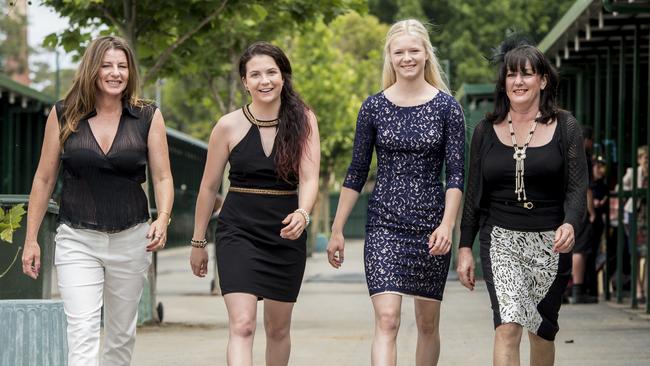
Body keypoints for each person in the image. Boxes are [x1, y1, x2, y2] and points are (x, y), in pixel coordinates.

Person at [21, 36, 173, 365]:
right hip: (77, 238)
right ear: (93, 69)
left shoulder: (147, 116)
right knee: (82, 331)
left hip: (132, 238)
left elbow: (162, 177)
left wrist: (162, 218)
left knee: (120, 336)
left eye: (122, 66)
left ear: (130, 71)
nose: (115, 73)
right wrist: (31, 238)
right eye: (106, 65)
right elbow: (44, 179)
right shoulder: (64, 115)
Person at [327, 19, 465, 365]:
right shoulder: (372, 107)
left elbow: (456, 175)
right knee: (387, 320)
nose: (407, 58)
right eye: (399, 51)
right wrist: (337, 229)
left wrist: (447, 225)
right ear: (389, 56)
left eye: (414, 51)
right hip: (384, 226)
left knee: (427, 323)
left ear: (426, 55)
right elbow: (356, 172)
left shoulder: (448, 108)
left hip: (432, 227)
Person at [457, 36, 587, 366]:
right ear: (503, 82)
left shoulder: (566, 127)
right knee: (507, 326)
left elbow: (576, 188)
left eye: (527, 74)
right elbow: (474, 194)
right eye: (511, 74)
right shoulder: (485, 130)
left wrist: (570, 222)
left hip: (550, 243)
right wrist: (465, 248)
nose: (518, 81)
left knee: (542, 332)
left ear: (543, 80)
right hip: (500, 239)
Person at [189, 42, 320, 366]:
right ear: (245, 81)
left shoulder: (304, 120)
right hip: (238, 232)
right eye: (256, 74)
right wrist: (198, 241)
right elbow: (207, 187)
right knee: (243, 325)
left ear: (283, 76)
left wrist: (303, 214)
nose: (265, 81)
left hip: (286, 235)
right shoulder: (227, 125)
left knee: (277, 329)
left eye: (271, 73)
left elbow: (309, 178)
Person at [571, 126, 598, 303]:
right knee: (580, 248)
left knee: (570, 247)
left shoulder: (567, 154)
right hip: (579, 207)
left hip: (567, 206)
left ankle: (569, 287)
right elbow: (586, 188)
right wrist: (592, 212)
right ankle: (578, 289)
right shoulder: (583, 157)